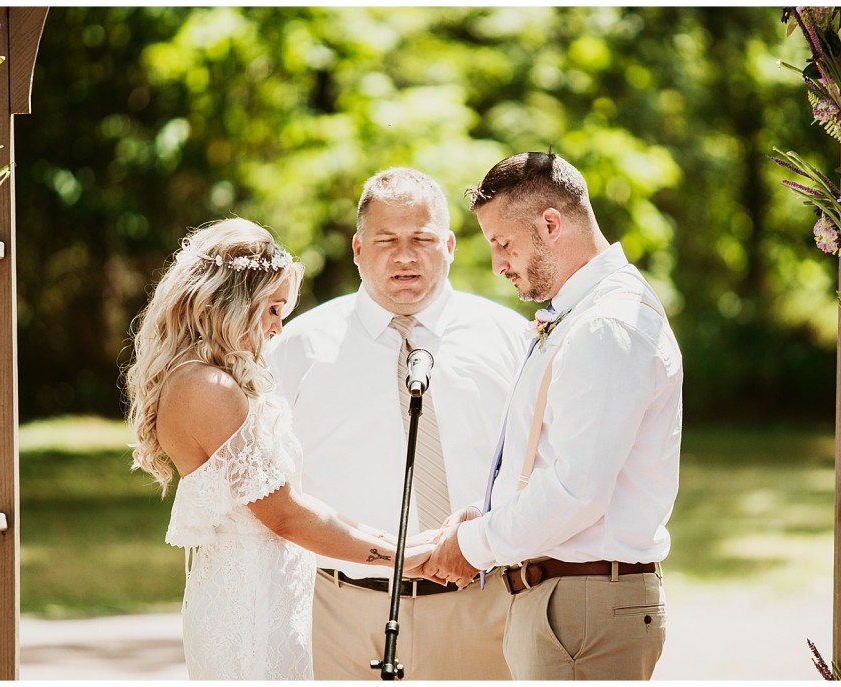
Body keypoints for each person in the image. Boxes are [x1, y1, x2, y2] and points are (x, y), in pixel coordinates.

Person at [123, 218, 433, 680]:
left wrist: (400, 542)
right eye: (272, 309)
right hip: (248, 609)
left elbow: (292, 500)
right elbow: (285, 515)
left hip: (263, 594)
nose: (276, 327)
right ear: (230, 301)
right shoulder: (209, 388)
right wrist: (400, 559)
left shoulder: (208, 378)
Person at [423, 152, 683, 680]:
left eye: (503, 243)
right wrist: (487, 512)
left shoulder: (607, 326)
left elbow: (576, 491)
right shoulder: (584, 314)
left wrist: (473, 546)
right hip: (570, 601)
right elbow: (554, 460)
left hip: (584, 609)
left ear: (550, 224)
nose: (497, 264)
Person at [265, 167, 528, 679]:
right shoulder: (298, 347)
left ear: (449, 245)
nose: (405, 256)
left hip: (485, 607)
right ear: (358, 249)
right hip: (340, 613)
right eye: (386, 240)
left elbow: (537, 465)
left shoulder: (511, 340)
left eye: (422, 240)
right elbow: (271, 487)